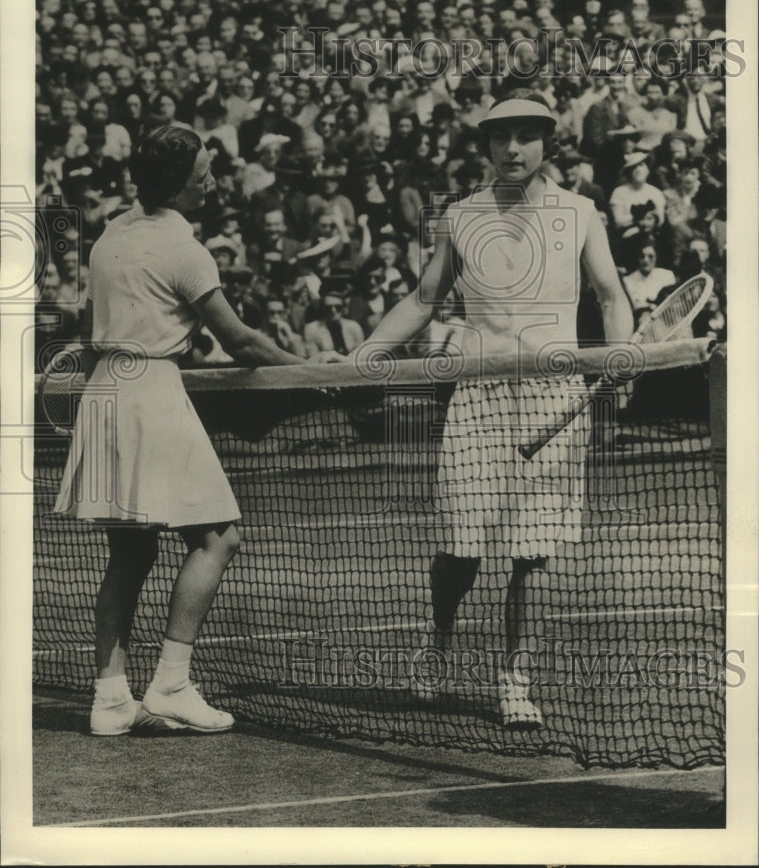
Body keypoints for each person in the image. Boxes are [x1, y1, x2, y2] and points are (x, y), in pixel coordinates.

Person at [353, 92, 632, 727]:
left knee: (531, 551)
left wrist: (621, 354)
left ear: (547, 144)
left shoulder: (582, 212)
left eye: (527, 137)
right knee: (461, 547)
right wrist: (365, 352)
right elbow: (424, 299)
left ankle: (514, 682)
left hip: (552, 395)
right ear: (485, 145)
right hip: (478, 396)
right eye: (501, 138)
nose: (513, 149)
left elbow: (610, 294)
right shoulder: (462, 215)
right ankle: (440, 647)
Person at [53, 125, 338, 738]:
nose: (212, 180)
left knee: (129, 552)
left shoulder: (110, 236)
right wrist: (313, 372)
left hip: (104, 390)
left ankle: (109, 700)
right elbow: (237, 339)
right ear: (180, 184)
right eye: (203, 173)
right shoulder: (185, 250)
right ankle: (172, 685)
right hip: (151, 391)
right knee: (219, 538)